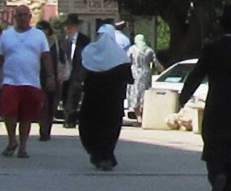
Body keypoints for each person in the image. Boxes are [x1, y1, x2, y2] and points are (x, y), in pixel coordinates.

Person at [178, 4, 231, 191]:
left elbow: (196, 75)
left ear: (222, 27)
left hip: (215, 104)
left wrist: (183, 98)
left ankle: (216, 176)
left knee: (213, 144)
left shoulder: (211, 49)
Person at [0, 5, 55, 158]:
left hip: (31, 82)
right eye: (19, 15)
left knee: (27, 116)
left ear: (30, 17)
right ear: (14, 17)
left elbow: (46, 56)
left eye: (25, 15)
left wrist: (50, 76)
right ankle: (12, 140)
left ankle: (23, 147)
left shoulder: (38, 35)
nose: (22, 18)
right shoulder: (6, 35)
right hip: (10, 81)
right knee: (9, 112)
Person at [79, 24, 134, 171]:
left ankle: (99, 154)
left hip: (92, 100)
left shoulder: (89, 52)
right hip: (113, 100)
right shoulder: (120, 56)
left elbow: (82, 73)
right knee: (110, 128)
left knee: (91, 127)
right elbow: (129, 78)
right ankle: (105, 155)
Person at [36, 20, 65, 141]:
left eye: (41, 29)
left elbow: (62, 60)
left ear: (47, 30)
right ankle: (43, 130)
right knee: (42, 104)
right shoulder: (36, 44)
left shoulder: (56, 43)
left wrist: (60, 75)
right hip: (38, 77)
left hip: (54, 77)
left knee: (52, 104)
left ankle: (47, 129)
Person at [127, 34, 164, 124]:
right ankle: (143, 116)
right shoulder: (149, 50)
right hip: (146, 74)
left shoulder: (132, 49)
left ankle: (138, 117)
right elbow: (156, 64)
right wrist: (162, 70)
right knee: (145, 94)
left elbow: (126, 61)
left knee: (135, 94)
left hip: (134, 74)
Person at [61, 13, 90, 128]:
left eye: (71, 26)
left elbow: (86, 58)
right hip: (64, 73)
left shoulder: (84, 41)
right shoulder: (62, 40)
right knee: (64, 95)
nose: (69, 29)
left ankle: (70, 119)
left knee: (73, 96)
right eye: (67, 27)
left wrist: (84, 75)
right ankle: (67, 116)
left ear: (76, 27)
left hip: (77, 72)